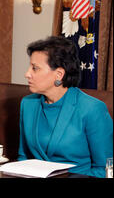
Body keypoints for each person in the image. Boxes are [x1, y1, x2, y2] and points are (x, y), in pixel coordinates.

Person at [18, 36, 113, 178]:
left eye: (35, 68)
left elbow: (105, 169)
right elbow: (23, 157)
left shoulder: (93, 109)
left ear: (59, 74)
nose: (27, 74)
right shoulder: (27, 104)